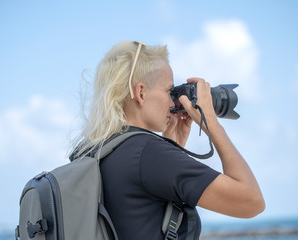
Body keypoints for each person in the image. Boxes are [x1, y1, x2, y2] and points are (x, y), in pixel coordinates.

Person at [72, 40, 265, 239]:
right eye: (168, 91)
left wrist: (173, 146)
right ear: (140, 92)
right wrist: (211, 124)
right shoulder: (149, 154)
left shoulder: (94, 151)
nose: (173, 102)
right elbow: (252, 201)